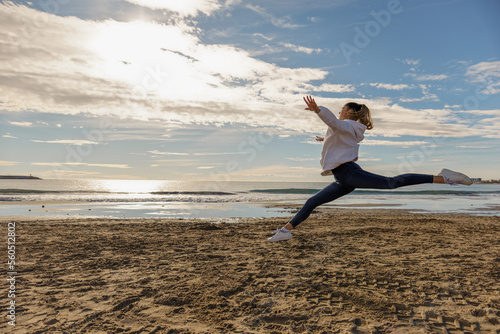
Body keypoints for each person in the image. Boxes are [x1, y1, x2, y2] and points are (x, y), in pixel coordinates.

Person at [268, 96, 473, 242]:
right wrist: (325, 138)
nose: (339, 111)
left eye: (342, 108)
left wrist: (318, 110)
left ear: (348, 112)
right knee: (312, 201)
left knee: (391, 183)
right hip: (343, 178)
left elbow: (333, 122)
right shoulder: (348, 128)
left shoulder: (346, 125)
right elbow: (339, 134)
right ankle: (286, 231)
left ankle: (443, 177)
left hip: (349, 173)